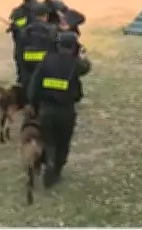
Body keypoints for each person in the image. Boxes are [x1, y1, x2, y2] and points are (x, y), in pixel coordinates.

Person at [26, 31, 91, 187]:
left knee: (49, 140)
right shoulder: (74, 64)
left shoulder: (46, 60)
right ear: (74, 46)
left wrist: (33, 105)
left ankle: (49, 161)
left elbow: (34, 85)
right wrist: (82, 55)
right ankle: (56, 171)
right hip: (66, 111)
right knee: (63, 142)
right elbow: (86, 67)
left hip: (46, 110)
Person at [17, 3, 58, 89]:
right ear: (45, 15)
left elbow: (20, 48)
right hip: (44, 60)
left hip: (28, 61)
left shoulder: (25, 29)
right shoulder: (52, 29)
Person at [8, 0, 40, 86]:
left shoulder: (17, 12)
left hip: (21, 51)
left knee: (23, 76)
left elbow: (16, 31)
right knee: (37, 76)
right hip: (36, 50)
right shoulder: (40, 10)